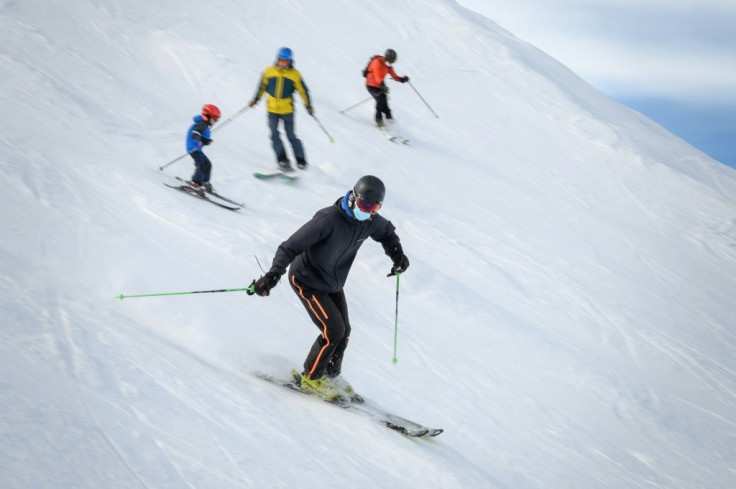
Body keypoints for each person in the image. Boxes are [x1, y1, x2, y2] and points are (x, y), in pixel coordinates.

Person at [249, 175, 411, 402]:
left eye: (373, 207)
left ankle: (331, 375)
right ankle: (311, 378)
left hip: (333, 283)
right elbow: (289, 247)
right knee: (333, 330)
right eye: (365, 204)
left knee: (344, 331)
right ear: (354, 197)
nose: (368, 211)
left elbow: (387, 234)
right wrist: (273, 273)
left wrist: (397, 255)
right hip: (307, 279)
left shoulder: (370, 221)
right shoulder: (328, 219)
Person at [249, 47, 314, 172]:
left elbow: (303, 91)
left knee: (291, 135)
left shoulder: (295, 74)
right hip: (272, 109)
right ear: (277, 59)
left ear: (290, 61)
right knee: (274, 134)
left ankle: (301, 161)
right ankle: (283, 160)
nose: (282, 63)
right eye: (280, 60)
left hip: (287, 110)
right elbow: (261, 87)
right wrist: (255, 99)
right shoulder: (269, 71)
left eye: (285, 61)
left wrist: (308, 106)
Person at [363, 48, 409, 127]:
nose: (392, 62)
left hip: (380, 85)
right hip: (371, 85)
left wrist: (402, 79)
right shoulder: (377, 62)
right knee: (380, 101)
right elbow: (377, 76)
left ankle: (390, 119)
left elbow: (395, 76)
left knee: (385, 102)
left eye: (393, 60)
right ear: (387, 57)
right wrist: (382, 85)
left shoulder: (389, 67)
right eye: (391, 59)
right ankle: (379, 120)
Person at [186, 104, 220, 193]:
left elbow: (201, 137)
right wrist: (200, 139)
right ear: (208, 116)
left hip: (198, 149)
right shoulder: (201, 124)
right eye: (214, 119)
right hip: (193, 148)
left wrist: (206, 141)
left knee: (208, 164)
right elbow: (195, 133)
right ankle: (195, 182)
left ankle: (205, 182)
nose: (215, 121)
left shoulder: (205, 125)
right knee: (201, 164)